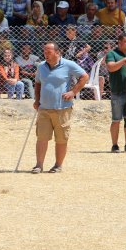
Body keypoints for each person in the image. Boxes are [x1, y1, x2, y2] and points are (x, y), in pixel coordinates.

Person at [31, 43, 89, 174]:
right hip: (44, 108)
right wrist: (36, 100)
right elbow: (38, 83)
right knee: (41, 137)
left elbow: (84, 76)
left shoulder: (69, 65)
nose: (46, 54)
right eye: (45, 52)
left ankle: (58, 165)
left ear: (57, 53)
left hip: (62, 109)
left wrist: (73, 92)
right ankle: (39, 165)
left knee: (61, 138)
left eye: (49, 52)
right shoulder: (41, 67)